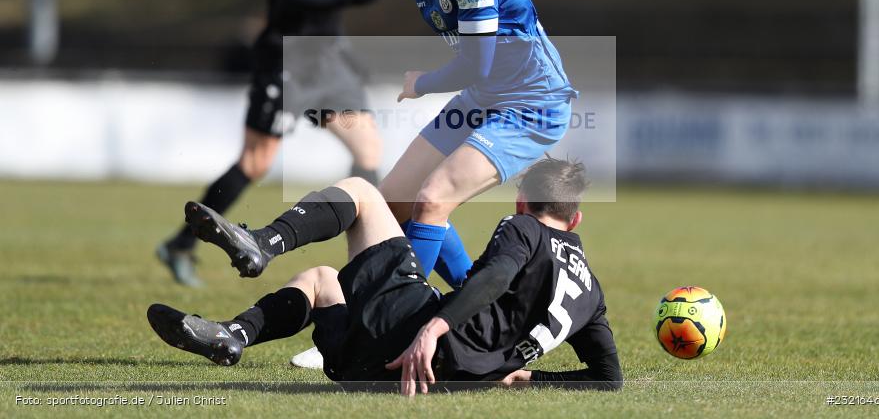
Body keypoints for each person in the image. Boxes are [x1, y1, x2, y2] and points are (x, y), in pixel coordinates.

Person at [147, 158, 622, 396]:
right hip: (393, 374)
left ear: (523, 203)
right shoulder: (592, 293)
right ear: (575, 220)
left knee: (362, 193)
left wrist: (433, 329)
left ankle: (265, 242)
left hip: (414, 340)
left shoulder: (524, 228)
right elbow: (607, 380)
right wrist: (522, 376)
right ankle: (232, 335)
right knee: (321, 281)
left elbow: (494, 278)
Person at [157, 0, 383, 287]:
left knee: (369, 152)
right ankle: (180, 243)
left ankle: (365, 262)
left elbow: (325, 11)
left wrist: (346, 52)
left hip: (327, 62)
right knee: (256, 163)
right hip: (285, 58)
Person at [372, 0, 578, 293]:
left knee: (432, 200)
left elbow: (475, 64)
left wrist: (421, 83)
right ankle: (476, 304)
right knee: (394, 200)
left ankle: (386, 325)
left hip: (531, 105)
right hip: (484, 97)